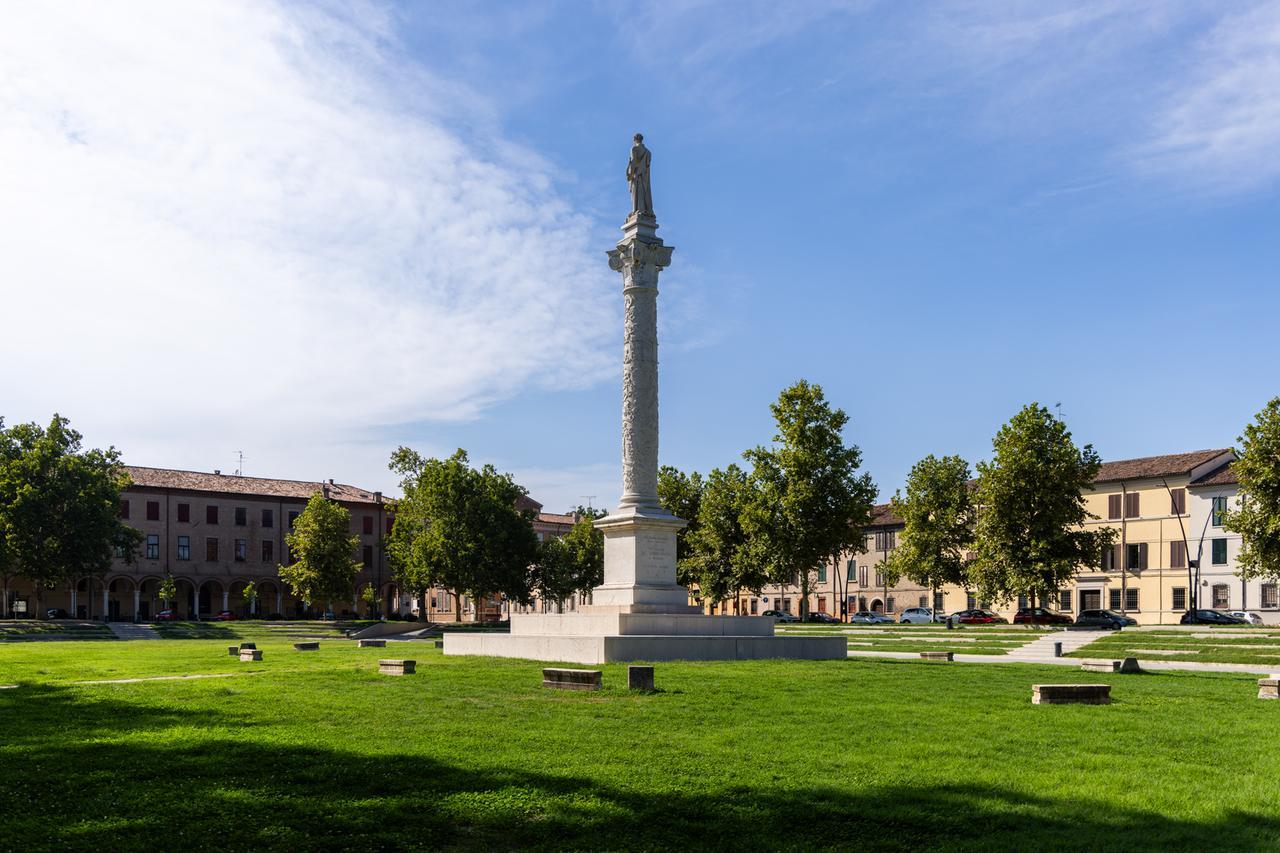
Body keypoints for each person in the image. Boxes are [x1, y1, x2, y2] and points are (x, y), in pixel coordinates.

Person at [626, 133, 653, 216]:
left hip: (636, 174)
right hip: (645, 176)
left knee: (637, 191)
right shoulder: (648, 152)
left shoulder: (634, 149)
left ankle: (636, 209)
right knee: (644, 191)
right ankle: (644, 209)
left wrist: (630, 174)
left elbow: (633, 162)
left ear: (634, 140)